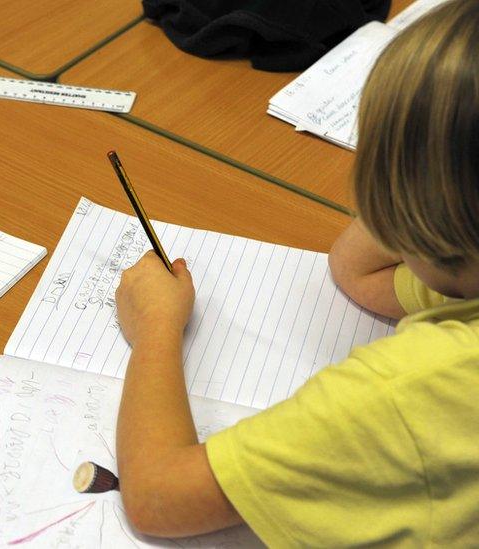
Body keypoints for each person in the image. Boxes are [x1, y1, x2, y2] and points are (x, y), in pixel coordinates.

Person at [113, 0, 479, 545]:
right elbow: (358, 274)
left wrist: (156, 330)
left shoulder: (416, 387)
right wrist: (411, 187)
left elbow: (157, 497)